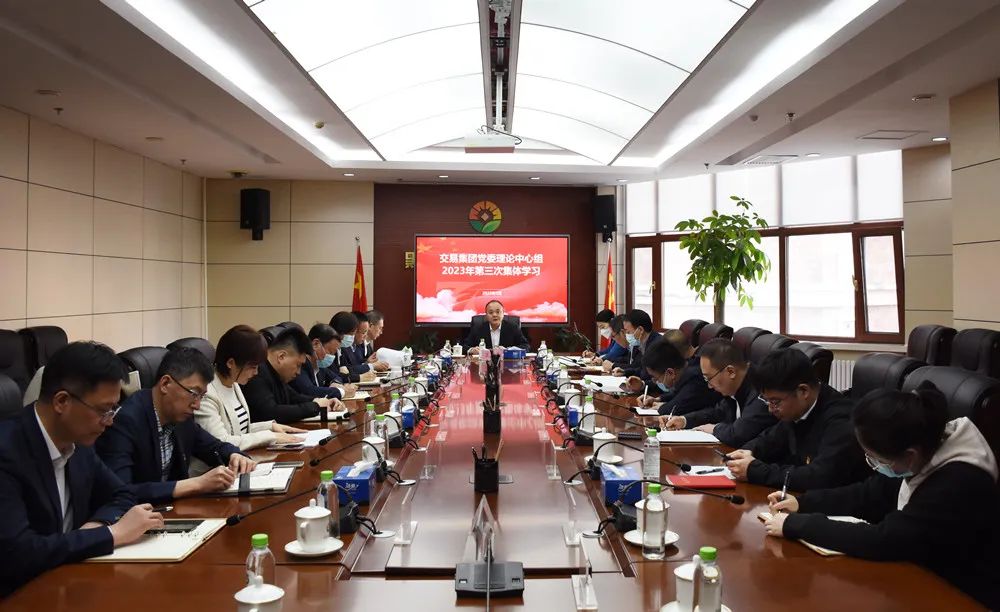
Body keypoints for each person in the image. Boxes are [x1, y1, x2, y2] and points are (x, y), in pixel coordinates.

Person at [762, 384, 1000, 609]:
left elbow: (885, 539)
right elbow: (870, 493)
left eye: (876, 459)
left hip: (961, 594)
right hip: (919, 574)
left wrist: (798, 525)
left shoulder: (957, 481)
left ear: (910, 455)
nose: (873, 464)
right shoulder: (923, 448)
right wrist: (803, 503)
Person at [0, 342, 164, 596]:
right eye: (103, 410)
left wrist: (95, 527)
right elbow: (19, 552)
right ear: (62, 401)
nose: (109, 422)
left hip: (68, 581)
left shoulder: (78, 442)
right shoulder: (7, 451)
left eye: (113, 410)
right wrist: (112, 534)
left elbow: (122, 494)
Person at [96, 347, 256, 504]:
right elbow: (120, 491)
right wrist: (197, 484)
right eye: (194, 393)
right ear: (165, 383)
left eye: (201, 396)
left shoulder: (181, 417)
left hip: (174, 510)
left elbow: (213, 446)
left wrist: (235, 455)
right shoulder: (126, 421)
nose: (197, 405)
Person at [723, 348, 868, 490]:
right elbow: (771, 440)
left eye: (775, 402)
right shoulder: (797, 410)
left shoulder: (841, 419)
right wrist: (747, 452)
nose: (770, 409)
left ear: (803, 391)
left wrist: (755, 471)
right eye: (767, 401)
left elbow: (820, 476)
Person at [192, 325, 308, 476]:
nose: (256, 372)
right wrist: (270, 436)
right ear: (231, 363)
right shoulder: (207, 393)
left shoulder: (234, 383)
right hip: (209, 473)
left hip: (236, 466)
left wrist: (270, 427)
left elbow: (239, 430)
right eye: (252, 367)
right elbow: (222, 442)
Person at [664, 338, 776, 447]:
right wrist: (684, 420)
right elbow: (718, 412)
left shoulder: (761, 388)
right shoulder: (735, 387)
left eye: (708, 378)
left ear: (731, 371)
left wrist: (714, 429)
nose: (709, 386)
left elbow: (739, 434)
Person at [242, 326, 338, 424]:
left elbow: (293, 397)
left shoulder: (275, 372)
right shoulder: (256, 372)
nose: (298, 372)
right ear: (281, 357)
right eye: (298, 365)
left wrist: (322, 401)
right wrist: (316, 406)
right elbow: (270, 413)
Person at [640, 329, 721, 417]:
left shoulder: (696, 377)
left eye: (656, 378)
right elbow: (678, 393)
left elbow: (675, 408)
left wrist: (663, 407)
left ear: (670, 373)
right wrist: (658, 399)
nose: (656, 381)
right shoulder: (687, 369)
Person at [290, 323, 357, 401]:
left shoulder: (320, 365)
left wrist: (335, 383)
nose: (332, 357)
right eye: (330, 352)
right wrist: (342, 392)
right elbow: (310, 391)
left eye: (333, 353)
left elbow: (336, 377)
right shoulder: (300, 364)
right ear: (315, 344)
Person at [617, 309, 662, 391]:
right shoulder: (643, 342)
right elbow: (642, 369)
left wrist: (642, 385)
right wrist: (625, 372)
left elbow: (661, 381)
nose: (626, 335)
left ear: (640, 329)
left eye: (628, 332)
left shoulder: (657, 346)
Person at [330, 311, 381, 381]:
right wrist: (360, 376)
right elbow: (338, 375)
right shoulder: (339, 349)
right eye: (351, 334)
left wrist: (366, 363)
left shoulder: (351, 347)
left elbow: (345, 372)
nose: (352, 337)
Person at [462, 300, 530, 351]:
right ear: (486, 315)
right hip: (484, 363)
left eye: (498, 312)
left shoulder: (512, 327)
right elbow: (464, 346)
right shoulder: (478, 328)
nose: (494, 315)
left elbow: (526, 346)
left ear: (503, 313)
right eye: (491, 312)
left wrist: (508, 350)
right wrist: (472, 350)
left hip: (507, 362)